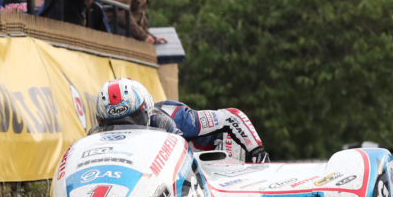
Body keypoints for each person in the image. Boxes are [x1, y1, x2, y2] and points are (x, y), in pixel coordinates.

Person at [94, 78, 270, 164]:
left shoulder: (178, 118)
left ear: (147, 109)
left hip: (212, 159)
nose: (125, 129)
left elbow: (231, 116)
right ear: (101, 121)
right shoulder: (96, 136)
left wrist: (257, 152)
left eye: (133, 118)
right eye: (111, 124)